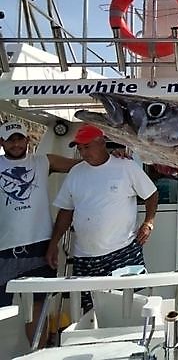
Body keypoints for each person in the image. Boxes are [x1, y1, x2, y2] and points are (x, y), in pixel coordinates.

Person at [45, 124, 158, 311]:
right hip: (85, 256)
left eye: (86, 147)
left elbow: (151, 194)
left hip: (123, 250)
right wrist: (54, 243)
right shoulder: (75, 173)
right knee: (90, 311)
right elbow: (66, 210)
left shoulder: (126, 167)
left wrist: (149, 222)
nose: (83, 152)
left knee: (127, 307)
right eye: (80, 148)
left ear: (101, 142)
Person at [0, 120, 81, 346]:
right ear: (2, 142)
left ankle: (38, 353)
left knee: (38, 306)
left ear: (28, 140)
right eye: (10, 140)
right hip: (3, 249)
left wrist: (114, 158)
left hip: (39, 246)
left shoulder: (43, 161)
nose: (15, 144)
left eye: (19, 139)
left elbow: (82, 163)